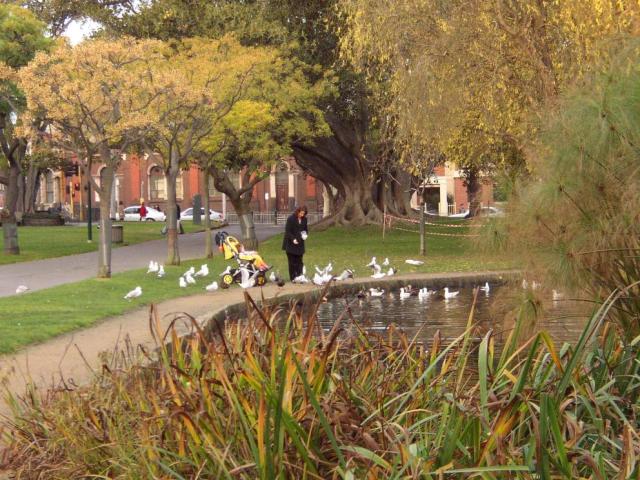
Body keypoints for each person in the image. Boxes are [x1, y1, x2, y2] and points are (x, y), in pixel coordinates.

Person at [282, 205, 308, 282]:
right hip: (290, 243)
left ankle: (300, 275)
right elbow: (288, 231)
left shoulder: (304, 219)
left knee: (299, 261)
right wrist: (293, 239)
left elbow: (305, 229)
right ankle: (293, 277)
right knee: (292, 262)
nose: (302, 215)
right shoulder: (291, 219)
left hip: (300, 243)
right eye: (301, 213)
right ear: (298, 212)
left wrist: (305, 235)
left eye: (304, 213)